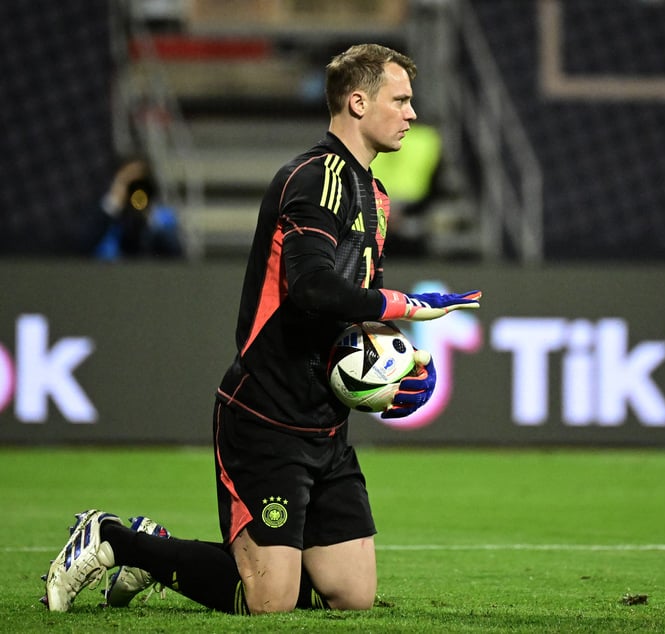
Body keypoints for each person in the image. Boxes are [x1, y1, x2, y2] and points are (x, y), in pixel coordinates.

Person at [42, 43, 482, 615]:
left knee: (352, 594)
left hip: (325, 424)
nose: (411, 113)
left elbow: (345, 305)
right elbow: (310, 286)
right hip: (265, 415)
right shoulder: (315, 177)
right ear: (357, 101)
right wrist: (407, 306)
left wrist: (396, 359)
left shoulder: (373, 194)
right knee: (270, 600)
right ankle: (116, 540)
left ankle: (159, 549)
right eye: (399, 100)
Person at [91, 156, 184, 260]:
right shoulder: (103, 213)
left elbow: (175, 256)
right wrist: (113, 204)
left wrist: (148, 216)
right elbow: (82, 248)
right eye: (129, 180)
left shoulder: (162, 217)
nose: (135, 188)